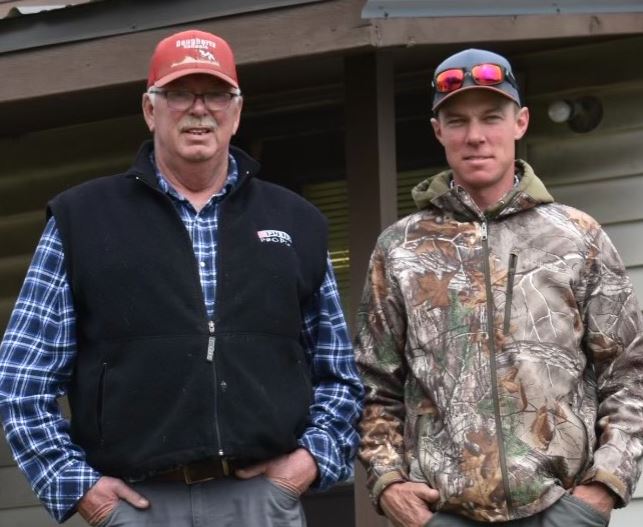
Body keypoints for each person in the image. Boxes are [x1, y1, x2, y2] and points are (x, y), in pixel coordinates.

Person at [0, 29, 363, 526]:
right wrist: (80, 488)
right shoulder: (81, 219)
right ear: (150, 110)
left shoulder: (296, 221)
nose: (199, 110)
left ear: (236, 112)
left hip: (260, 501)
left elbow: (339, 373)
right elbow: (22, 379)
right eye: (178, 94)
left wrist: (309, 463)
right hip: (138, 506)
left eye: (215, 94)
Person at [354, 48, 643, 527]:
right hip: (441, 514)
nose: (475, 136)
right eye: (458, 121)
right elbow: (374, 384)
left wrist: (603, 487)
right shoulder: (400, 248)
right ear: (437, 131)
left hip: (559, 509)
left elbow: (629, 373)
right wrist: (389, 484)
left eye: (492, 117)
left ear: (521, 122)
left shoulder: (576, 236)